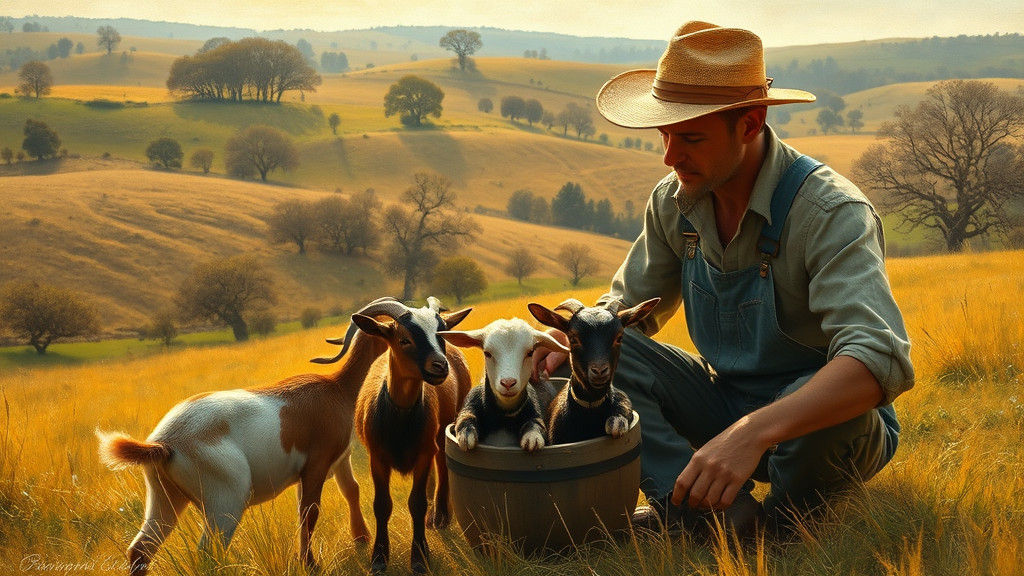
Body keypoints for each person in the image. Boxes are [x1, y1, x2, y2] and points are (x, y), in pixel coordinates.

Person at [534, 21, 914, 534]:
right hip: (722, 405)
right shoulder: (675, 201)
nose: (670, 156)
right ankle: (691, 504)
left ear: (751, 123)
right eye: (664, 135)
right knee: (599, 355)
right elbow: (624, 312)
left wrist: (752, 433)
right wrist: (565, 339)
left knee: (836, 423)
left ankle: (781, 521)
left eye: (690, 137)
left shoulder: (830, 212)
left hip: (816, 427)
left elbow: (878, 359)